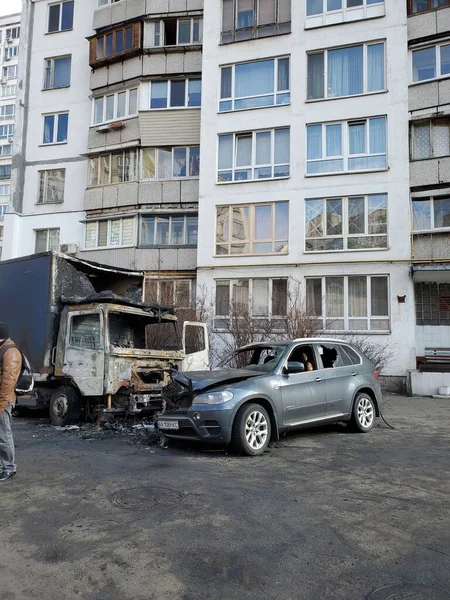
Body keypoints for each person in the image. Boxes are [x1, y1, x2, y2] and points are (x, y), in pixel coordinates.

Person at [0, 322, 22, 482]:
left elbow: (8, 382)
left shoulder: (11, 352)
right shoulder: (2, 350)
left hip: (3, 401)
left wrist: (1, 404)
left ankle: (9, 468)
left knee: (3, 435)